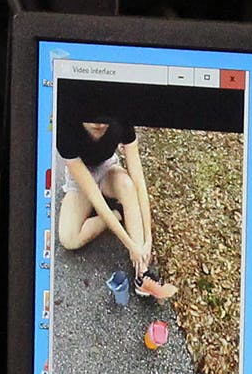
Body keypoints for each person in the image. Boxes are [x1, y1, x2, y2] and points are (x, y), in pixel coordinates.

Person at [54, 107, 175, 301]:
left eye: (105, 118)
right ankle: (119, 212)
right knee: (68, 238)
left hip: (107, 168)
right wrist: (129, 243)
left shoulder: (122, 117)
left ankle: (142, 273)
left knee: (127, 186)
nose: (99, 124)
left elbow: (138, 180)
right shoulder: (65, 126)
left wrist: (148, 238)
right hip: (81, 177)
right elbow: (95, 197)